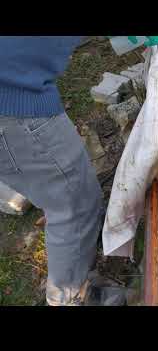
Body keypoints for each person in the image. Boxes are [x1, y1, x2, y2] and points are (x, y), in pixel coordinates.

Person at [0, 36, 124, 306]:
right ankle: (70, 297)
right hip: (12, 100)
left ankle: (22, 181)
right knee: (74, 204)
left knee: (25, 172)